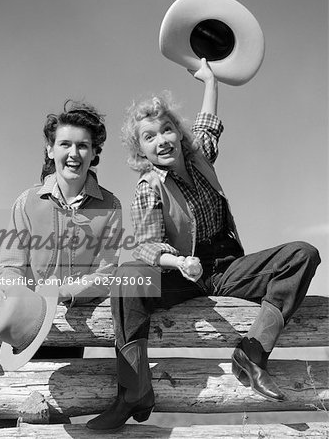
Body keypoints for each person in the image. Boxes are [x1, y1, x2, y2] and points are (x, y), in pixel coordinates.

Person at [86, 58, 320, 432]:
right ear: (141, 151)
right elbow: (146, 246)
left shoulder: (199, 157)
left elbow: (207, 123)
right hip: (182, 272)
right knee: (129, 276)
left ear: (178, 133)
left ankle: (253, 352)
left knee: (303, 254)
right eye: (149, 137)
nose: (161, 140)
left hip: (227, 266)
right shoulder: (148, 187)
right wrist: (178, 262)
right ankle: (134, 391)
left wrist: (210, 81)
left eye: (166, 130)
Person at [0, 100, 122, 358]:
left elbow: (105, 275)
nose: (74, 153)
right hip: (25, 324)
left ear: (94, 153)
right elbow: (9, 267)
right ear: (51, 150)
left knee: (70, 392)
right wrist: (25, 301)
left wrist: (61, 293)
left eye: (83, 145)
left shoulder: (111, 206)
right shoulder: (26, 202)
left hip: (74, 326)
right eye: (65, 144)